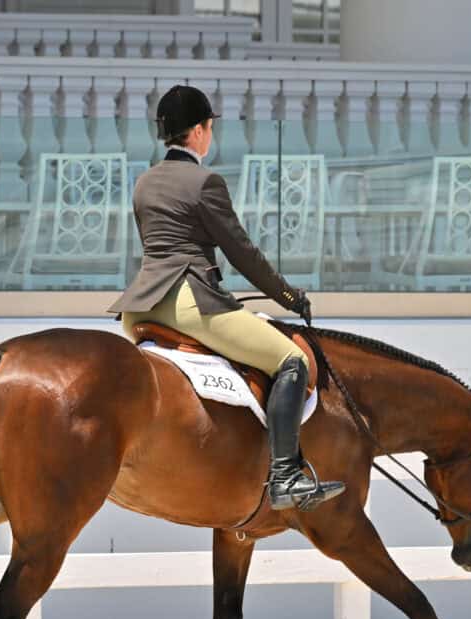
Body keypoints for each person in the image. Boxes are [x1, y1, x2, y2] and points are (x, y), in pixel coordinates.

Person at [108, 84, 344, 512]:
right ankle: (286, 474)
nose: (210, 133)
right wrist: (289, 296)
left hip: (139, 307)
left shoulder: (144, 181)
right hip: (188, 304)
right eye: (209, 126)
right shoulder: (205, 182)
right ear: (198, 131)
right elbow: (243, 253)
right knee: (290, 360)